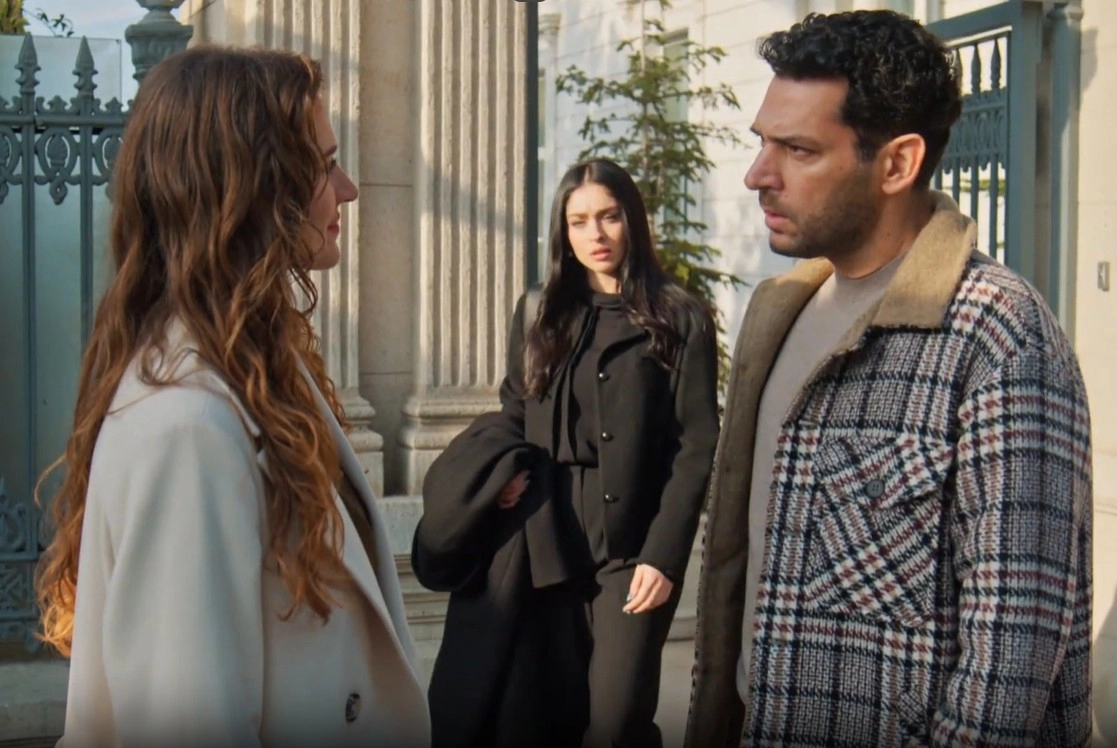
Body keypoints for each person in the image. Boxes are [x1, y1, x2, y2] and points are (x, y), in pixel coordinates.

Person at [686, 10, 1093, 748]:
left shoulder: (996, 333)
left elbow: (1008, 666)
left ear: (898, 164)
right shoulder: (779, 309)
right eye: (762, 142)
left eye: (797, 150)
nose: (757, 175)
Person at [34, 46, 430, 748]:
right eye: (323, 165)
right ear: (251, 189)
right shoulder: (187, 424)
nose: (347, 190)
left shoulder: (258, 367)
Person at [414, 157, 719, 748]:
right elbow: (514, 407)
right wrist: (502, 475)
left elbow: (695, 444)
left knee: (617, 720)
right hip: (544, 536)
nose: (595, 234)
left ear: (632, 220)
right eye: (579, 221)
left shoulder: (681, 317)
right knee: (540, 717)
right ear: (563, 230)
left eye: (609, 216)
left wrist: (664, 556)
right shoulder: (538, 310)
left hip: (632, 549)